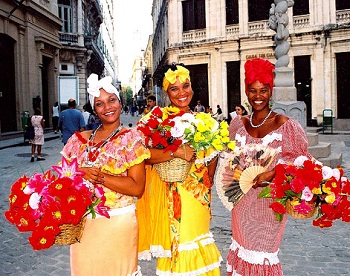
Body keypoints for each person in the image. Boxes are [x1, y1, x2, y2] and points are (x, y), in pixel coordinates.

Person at [225, 58, 312, 275]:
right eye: (253, 90)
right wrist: (239, 171)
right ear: (246, 92)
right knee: (242, 250)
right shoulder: (238, 124)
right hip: (242, 203)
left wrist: (273, 172)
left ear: (270, 91)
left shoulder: (285, 125)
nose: (258, 96)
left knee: (263, 255)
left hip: (269, 204)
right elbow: (230, 160)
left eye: (263, 90)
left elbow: (301, 162)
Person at [60, 73, 150, 275]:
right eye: (100, 104)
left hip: (117, 224)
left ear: (120, 102)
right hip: (82, 225)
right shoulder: (77, 140)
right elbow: (60, 180)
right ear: (94, 109)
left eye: (111, 100)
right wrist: (80, 172)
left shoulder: (132, 139)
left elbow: (137, 187)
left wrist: (99, 177)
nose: (107, 107)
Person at [137, 64, 222, 275]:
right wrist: (175, 153)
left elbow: (214, 156)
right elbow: (141, 155)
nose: (182, 93)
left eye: (185, 86)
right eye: (174, 89)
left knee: (195, 239)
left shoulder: (206, 121)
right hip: (170, 194)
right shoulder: (156, 120)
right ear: (167, 93)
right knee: (179, 245)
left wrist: (207, 180)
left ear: (192, 88)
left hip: (197, 197)